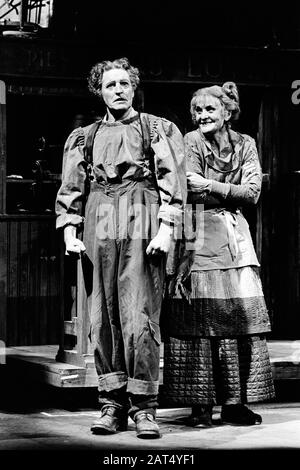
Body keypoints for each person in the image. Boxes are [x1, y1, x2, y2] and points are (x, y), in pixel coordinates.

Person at [55, 58, 186, 438]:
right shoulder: (85, 136)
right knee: (102, 315)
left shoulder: (155, 129)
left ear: (133, 87)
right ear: (100, 90)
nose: (118, 90)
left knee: (140, 314)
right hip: (99, 219)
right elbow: (71, 189)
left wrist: (166, 229)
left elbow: (172, 181)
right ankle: (111, 403)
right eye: (110, 84)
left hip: (141, 216)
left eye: (124, 83)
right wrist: (69, 232)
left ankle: (144, 407)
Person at [162, 82, 275, 426]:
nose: (202, 116)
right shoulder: (190, 141)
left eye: (210, 109)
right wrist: (228, 193)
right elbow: (188, 192)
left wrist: (211, 186)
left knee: (240, 323)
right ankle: (200, 407)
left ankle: (234, 403)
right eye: (197, 110)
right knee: (201, 324)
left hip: (237, 244)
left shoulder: (246, 144)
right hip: (199, 242)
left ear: (227, 113)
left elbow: (252, 193)